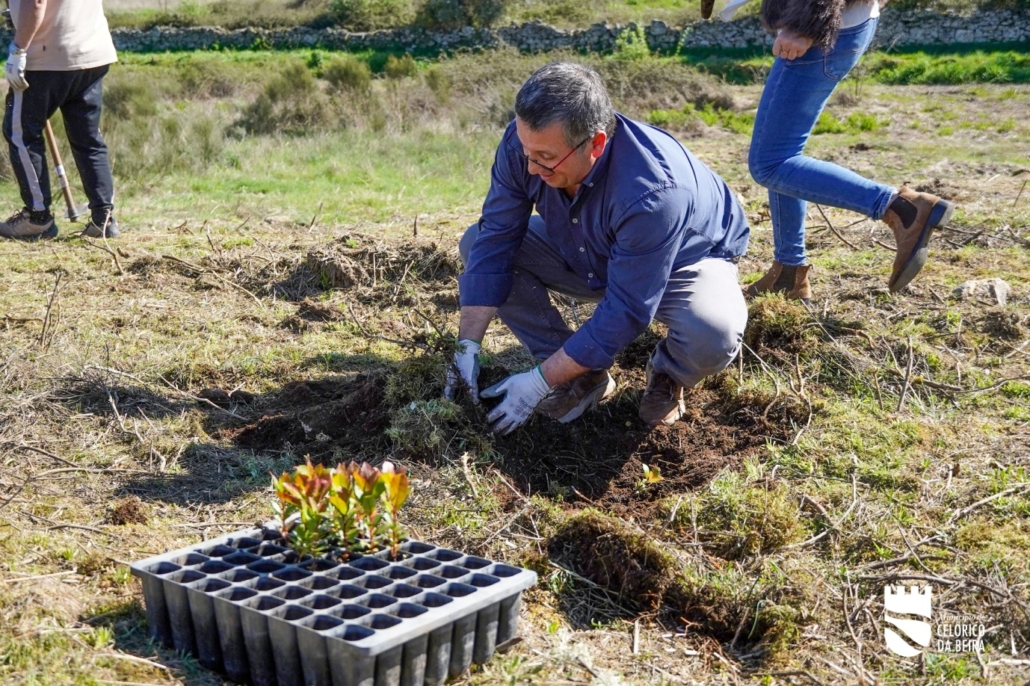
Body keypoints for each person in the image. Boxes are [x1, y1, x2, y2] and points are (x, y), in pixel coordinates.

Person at [444, 62, 751, 434]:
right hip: (586, 244)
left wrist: (537, 383)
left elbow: (627, 309)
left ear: (597, 143)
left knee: (713, 333)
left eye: (544, 157)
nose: (531, 167)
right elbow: (496, 237)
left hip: (682, 260)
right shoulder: (529, 145)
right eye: (526, 151)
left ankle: (669, 375)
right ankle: (581, 375)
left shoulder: (654, 193)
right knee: (475, 242)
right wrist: (467, 348)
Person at [732, 0, 955, 301]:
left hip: (820, 26)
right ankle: (788, 273)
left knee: (770, 164)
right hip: (841, 23)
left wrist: (806, 24)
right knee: (784, 159)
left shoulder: (809, 25)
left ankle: (902, 208)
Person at [1, 0, 119, 240]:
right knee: (88, 136)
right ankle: (103, 218)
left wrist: (18, 50)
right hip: (92, 51)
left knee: (20, 133)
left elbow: (35, 3)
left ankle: (37, 219)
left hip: (47, 55)